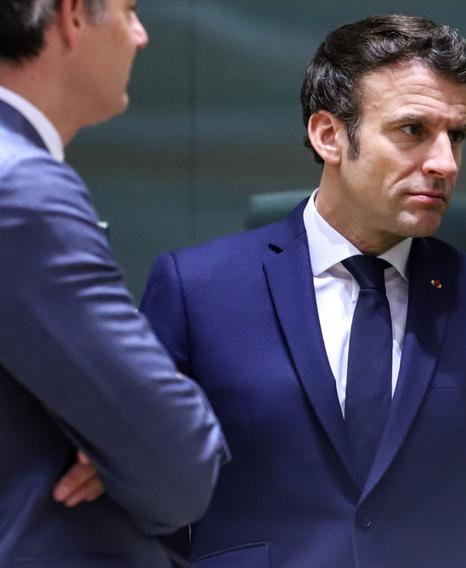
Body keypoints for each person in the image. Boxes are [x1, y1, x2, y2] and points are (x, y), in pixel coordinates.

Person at [139, 14, 466, 567]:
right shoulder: (196, 291)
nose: (444, 162)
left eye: (457, 135)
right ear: (329, 135)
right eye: (413, 130)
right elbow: (143, 502)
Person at [0, 0, 228, 566]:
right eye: (129, 11)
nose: (142, 36)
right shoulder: (23, 192)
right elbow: (177, 460)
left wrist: (120, 438)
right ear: (73, 16)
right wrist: (121, 443)